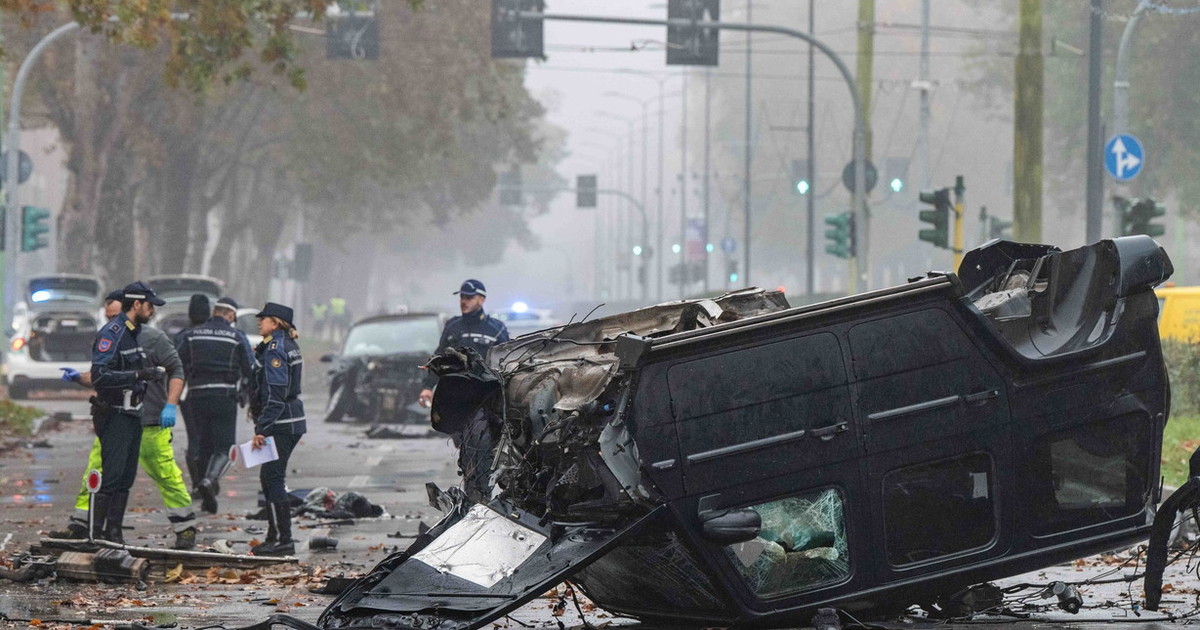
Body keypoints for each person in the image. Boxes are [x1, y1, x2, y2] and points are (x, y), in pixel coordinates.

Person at [87, 282, 168, 543]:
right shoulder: (113, 333)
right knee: (111, 477)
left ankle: (114, 534)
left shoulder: (134, 333)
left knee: (125, 478)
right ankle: (97, 535)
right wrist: (138, 374)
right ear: (136, 305)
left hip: (133, 414)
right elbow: (100, 376)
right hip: (114, 414)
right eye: (150, 305)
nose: (153, 310)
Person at [175, 296, 254, 514]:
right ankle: (210, 481)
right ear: (229, 315)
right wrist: (248, 396)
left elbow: (176, 364)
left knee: (201, 445)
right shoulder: (236, 336)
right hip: (224, 396)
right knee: (224, 448)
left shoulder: (191, 335)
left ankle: (203, 488)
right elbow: (251, 369)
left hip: (196, 397)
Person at [248, 302, 306, 556]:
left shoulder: (275, 348)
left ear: (276, 322)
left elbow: (276, 392)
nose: (259, 322)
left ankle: (283, 540)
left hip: (281, 424)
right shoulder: (285, 345)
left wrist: (263, 427)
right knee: (269, 477)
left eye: (264, 319)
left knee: (273, 478)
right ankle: (275, 537)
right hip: (289, 421)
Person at [417, 279, 509, 408]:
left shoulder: (497, 330)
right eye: (462, 297)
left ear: (481, 299)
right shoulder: (452, 326)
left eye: (469, 297)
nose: (464, 301)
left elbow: (508, 363)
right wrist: (427, 387)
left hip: (486, 398)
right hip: (454, 396)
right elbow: (439, 358)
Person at [175, 294, 212, 491]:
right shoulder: (215, 334)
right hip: (214, 392)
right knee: (211, 437)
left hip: (188, 393)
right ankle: (209, 477)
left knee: (194, 438)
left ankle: (197, 483)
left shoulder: (182, 336)